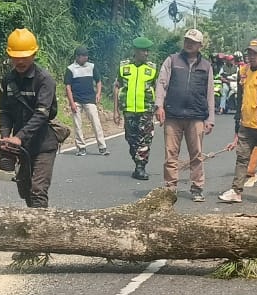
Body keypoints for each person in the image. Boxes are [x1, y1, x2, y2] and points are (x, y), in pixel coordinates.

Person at [0, 29, 61, 208]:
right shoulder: (7, 80)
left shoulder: (44, 80)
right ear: (10, 56)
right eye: (16, 56)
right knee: (24, 190)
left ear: (34, 54)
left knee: (38, 190)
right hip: (21, 146)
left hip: (43, 143)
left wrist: (19, 137)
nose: (20, 61)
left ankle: (40, 232)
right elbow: (4, 112)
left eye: (25, 56)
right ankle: (33, 219)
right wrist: (6, 137)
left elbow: (42, 113)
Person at [220, 39, 257, 207]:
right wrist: (236, 123)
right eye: (249, 53)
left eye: (255, 53)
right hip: (246, 125)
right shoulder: (243, 71)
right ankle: (236, 191)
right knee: (242, 159)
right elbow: (240, 99)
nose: (251, 57)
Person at [156, 28, 215, 202]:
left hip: (196, 116)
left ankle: (197, 188)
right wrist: (159, 106)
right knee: (170, 154)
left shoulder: (206, 66)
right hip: (173, 115)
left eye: (193, 42)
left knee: (196, 155)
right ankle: (170, 188)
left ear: (200, 45)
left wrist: (210, 118)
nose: (189, 44)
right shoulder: (172, 61)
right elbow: (161, 84)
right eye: (187, 40)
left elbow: (209, 93)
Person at [114, 37, 158, 180]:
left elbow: (158, 89)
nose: (146, 53)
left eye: (147, 51)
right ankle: (137, 161)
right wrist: (116, 111)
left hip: (146, 110)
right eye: (143, 51)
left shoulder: (152, 68)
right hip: (129, 110)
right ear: (136, 51)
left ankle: (140, 167)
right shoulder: (124, 67)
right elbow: (117, 87)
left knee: (145, 139)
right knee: (131, 138)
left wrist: (159, 108)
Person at [63, 46, 110, 157]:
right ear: (78, 57)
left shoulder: (91, 67)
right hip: (77, 100)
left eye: (86, 56)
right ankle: (81, 147)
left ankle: (102, 147)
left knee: (96, 122)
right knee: (78, 125)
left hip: (89, 99)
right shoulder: (71, 69)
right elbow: (68, 87)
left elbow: (98, 81)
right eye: (84, 56)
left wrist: (98, 94)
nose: (86, 58)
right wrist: (72, 102)